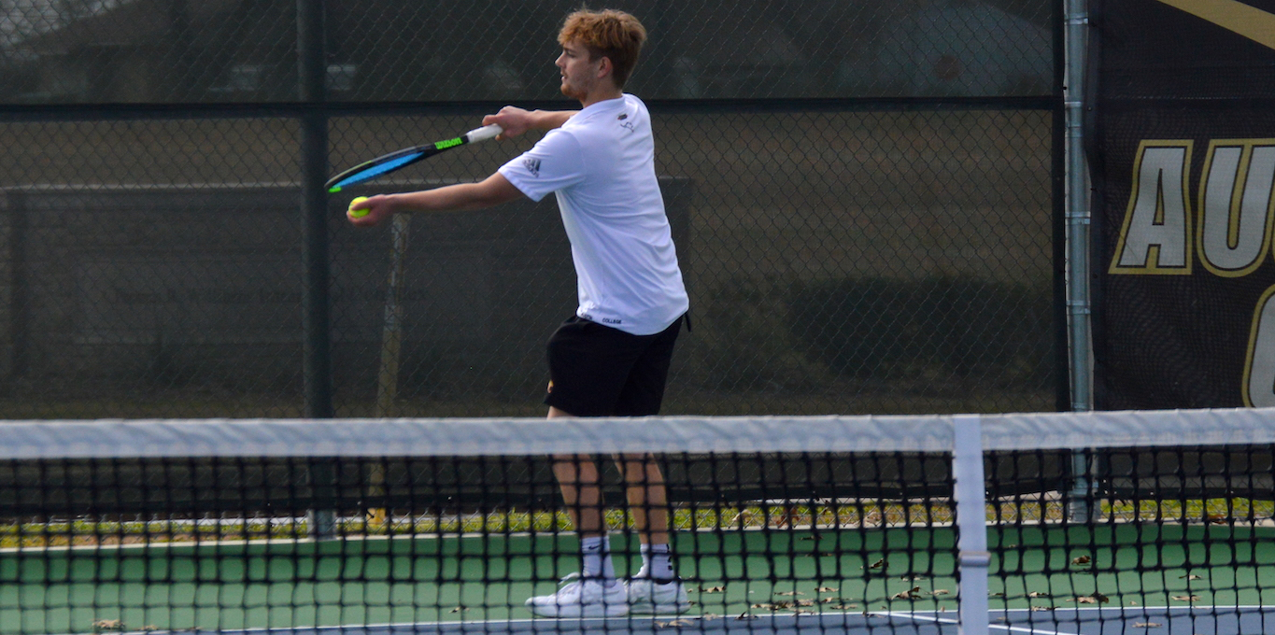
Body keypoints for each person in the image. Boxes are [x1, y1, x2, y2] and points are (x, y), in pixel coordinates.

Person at [347, 8, 690, 620]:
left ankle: (597, 580)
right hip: (662, 306)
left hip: (612, 318)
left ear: (601, 65)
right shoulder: (631, 113)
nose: (559, 63)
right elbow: (579, 117)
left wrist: (393, 201)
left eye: (571, 56)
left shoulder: (576, 143)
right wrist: (532, 119)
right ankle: (662, 579)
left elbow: (484, 193)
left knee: (564, 438)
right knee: (633, 443)